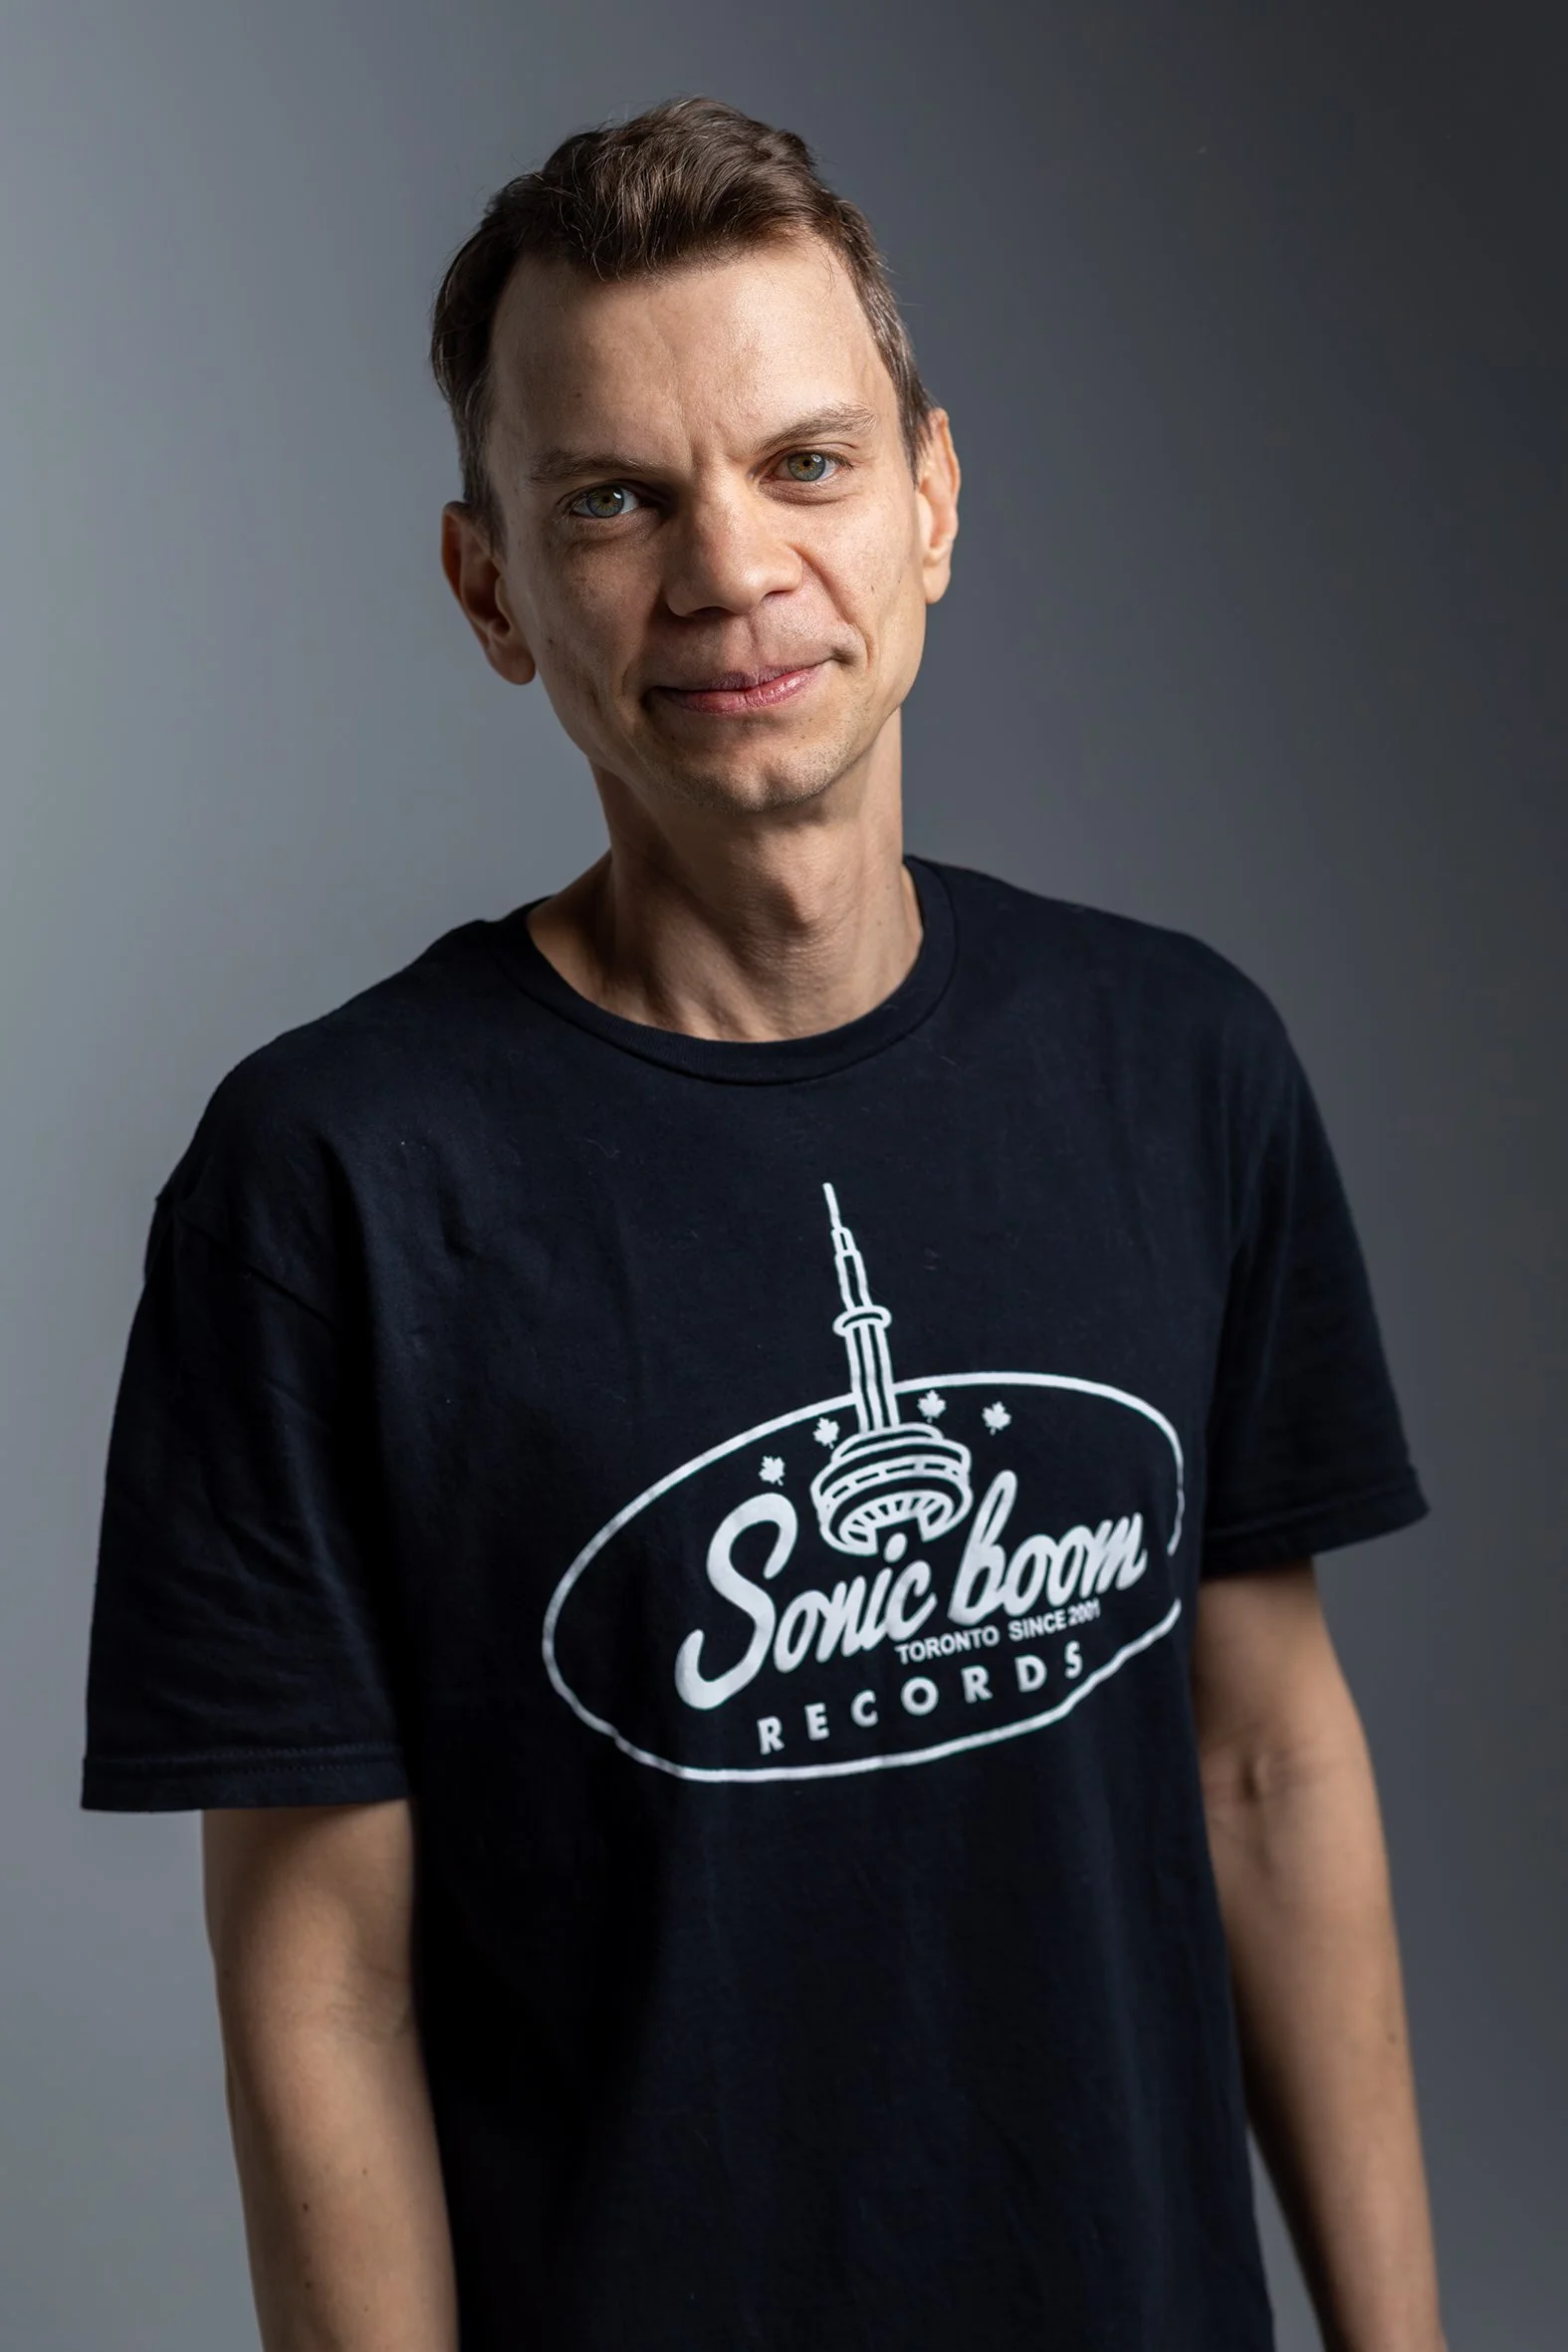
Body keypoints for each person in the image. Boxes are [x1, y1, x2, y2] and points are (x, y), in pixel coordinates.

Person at [81, 94, 1448, 2352]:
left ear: (931, 500)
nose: (730, 569)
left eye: (806, 463)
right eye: (612, 498)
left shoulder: (1178, 1061)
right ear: (491, 588)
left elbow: (1267, 1766)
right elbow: (324, 1982)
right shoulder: (328, 1184)